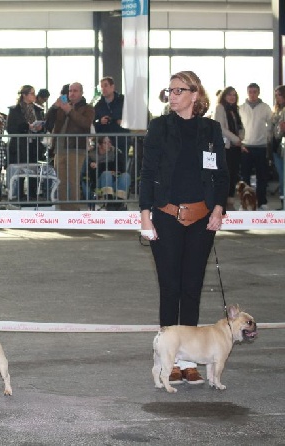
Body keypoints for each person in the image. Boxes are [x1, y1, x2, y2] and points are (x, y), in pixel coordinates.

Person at [139, 71, 228, 386]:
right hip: (165, 216)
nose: (172, 95)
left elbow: (221, 174)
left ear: (195, 94)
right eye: (169, 90)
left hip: (202, 219)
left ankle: (189, 361)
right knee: (170, 288)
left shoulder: (211, 129)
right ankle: (168, 363)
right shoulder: (159, 127)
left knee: (192, 289)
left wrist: (218, 208)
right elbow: (147, 172)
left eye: (179, 90)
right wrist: (145, 214)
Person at [51, 82, 95, 210]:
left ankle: (74, 210)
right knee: (61, 181)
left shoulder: (88, 108)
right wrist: (54, 107)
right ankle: (63, 208)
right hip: (60, 149)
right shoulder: (63, 107)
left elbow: (86, 123)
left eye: (75, 91)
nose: (72, 93)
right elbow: (49, 121)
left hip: (76, 149)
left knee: (73, 180)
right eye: (70, 91)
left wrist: (70, 111)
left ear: (81, 93)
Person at [6, 85, 44, 200]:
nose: (34, 96)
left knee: (34, 171)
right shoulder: (14, 110)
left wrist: (39, 128)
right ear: (24, 95)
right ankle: (19, 196)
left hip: (34, 144)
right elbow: (10, 128)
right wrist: (25, 127)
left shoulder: (38, 110)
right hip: (20, 145)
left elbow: (44, 126)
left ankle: (33, 195)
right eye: (32, 93)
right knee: (20, 171)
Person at [238, 82, 271, 210]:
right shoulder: (240, 108)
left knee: (261, 176)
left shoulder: (265, 107)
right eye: (250, 92)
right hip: (245, 146)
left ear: (258, 92)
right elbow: (238, 128)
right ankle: (244, 203)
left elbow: (271, 125)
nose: (252, 94)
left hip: (261, 147)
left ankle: (262, 201)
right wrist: (240, 143)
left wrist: (267, 138)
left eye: (255, 92)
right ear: (247, 93)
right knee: (244, 177)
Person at [213, 86, 244, 210]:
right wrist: (236, 139)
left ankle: (230, 201)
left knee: (234, 175)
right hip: (225, 147)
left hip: (235, 147)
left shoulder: (235, 109)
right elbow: (221, 128)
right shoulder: (219, 108)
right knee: (225, 175)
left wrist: (241, 138)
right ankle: (221, 203)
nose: (232, 97)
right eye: (229, 95)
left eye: (234, 95)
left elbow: (240, 127)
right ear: (224, 96)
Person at [81, 136, 130, 210]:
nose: (109, 145)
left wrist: (100, 166)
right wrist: (109, 169)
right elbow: (92, 173)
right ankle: (109, 201)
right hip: (98, 182)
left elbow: (121, 167)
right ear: (99, 145)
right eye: (105, 143)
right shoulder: (91, 155)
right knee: (106, 174)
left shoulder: (116, 152)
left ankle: (119, 202)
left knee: (126, 176)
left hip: (115, 179)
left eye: (109, 142)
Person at [270, 85, 285, 206]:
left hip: (283, 145)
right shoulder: (276, 109)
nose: (277, 97)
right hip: (276, 146)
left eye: (279, 94)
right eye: (276, 95)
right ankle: (282, 201)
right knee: (281, 175)